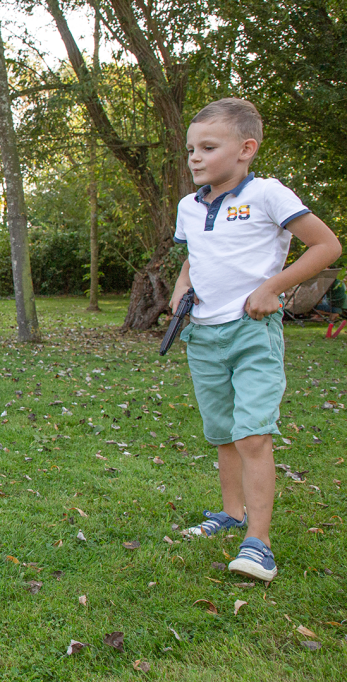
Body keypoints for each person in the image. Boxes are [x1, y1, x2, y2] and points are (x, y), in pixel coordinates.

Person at [173, 98, 341, 581]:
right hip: (203, 336)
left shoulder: (268, 194)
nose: (195, 158)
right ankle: (231, 513)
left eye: (208, 147)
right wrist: (183, 289)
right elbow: (194, 258)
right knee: (223, 433)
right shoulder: (190, 205)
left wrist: (272, 288)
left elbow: (327, 245)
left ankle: (258, 543)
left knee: (252, 435)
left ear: (246, 149)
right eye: (190, 149)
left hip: (252, 333)